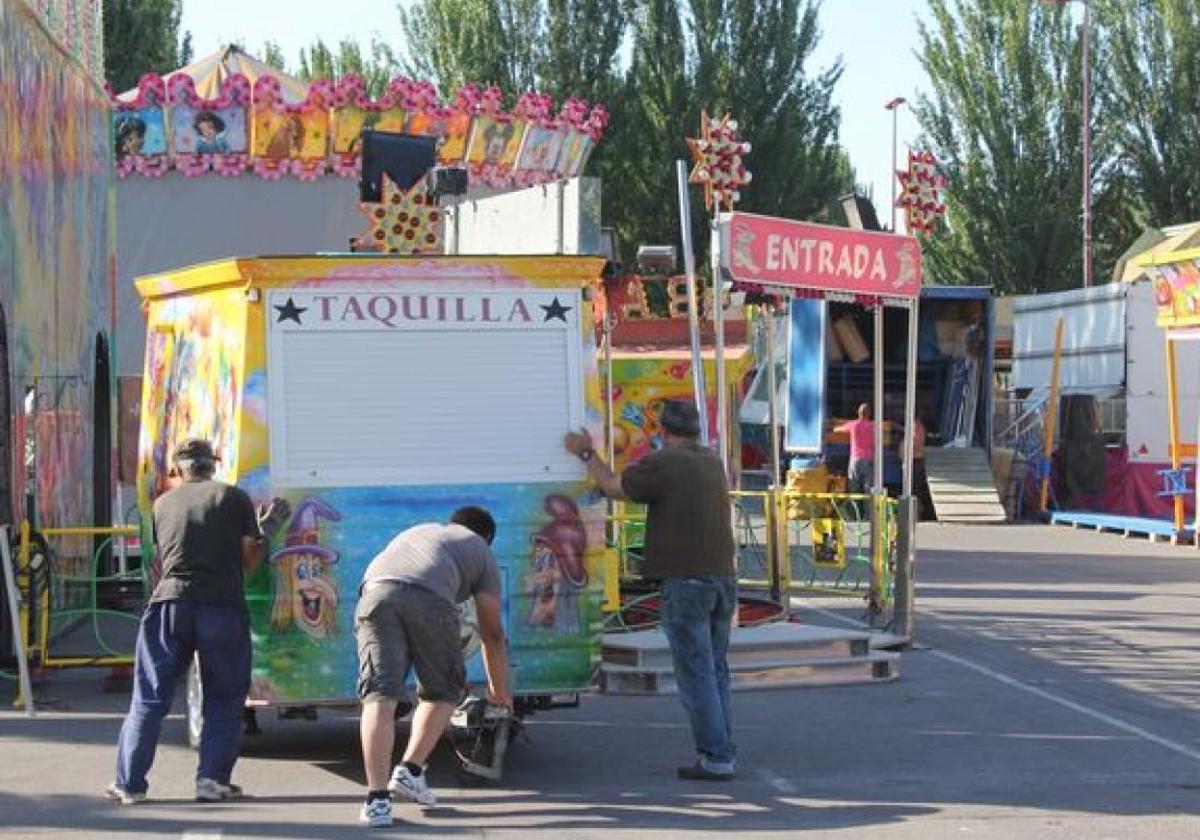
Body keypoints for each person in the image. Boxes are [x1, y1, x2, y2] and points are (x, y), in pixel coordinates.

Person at [106, 438, 289, 804]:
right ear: (213, 465)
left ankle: (130, 785)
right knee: (223, 695)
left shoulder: (161, 504)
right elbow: (248, 559)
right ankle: (212, 781)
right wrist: (267, 529)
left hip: (169, 605)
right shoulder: (231, 497)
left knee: (150, 698)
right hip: (220, 606)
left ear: (180, 468)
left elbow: (164, 558)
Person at [563, 399, 738, 781]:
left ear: (663, 431)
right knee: (715, 668)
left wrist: (586, 453)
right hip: (723, 577)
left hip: (686, 580)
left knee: (695, 672)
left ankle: (716, 755)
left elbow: (612, 486)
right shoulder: (711, 462)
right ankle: (723, 748)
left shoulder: (665, 463)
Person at [356, 506, 512, 828]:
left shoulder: (419, 531)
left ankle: (377, 802)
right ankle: (410, 770)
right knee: (443, 690)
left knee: (379, 697)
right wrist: (500, 693)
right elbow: (492, 634)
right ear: (487, 537)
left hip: (373, 595)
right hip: (429, 597)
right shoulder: (480, 549)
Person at [835, 403, 876, 494]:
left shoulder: (853, 425)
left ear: (858, 413)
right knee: (869, 489)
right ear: (869, 414)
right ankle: (869, 508)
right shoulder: (872, 426)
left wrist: (834, 426)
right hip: (868, 459)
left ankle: (854, 507)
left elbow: (838, 429)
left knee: (853, 486)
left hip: (855, 458)